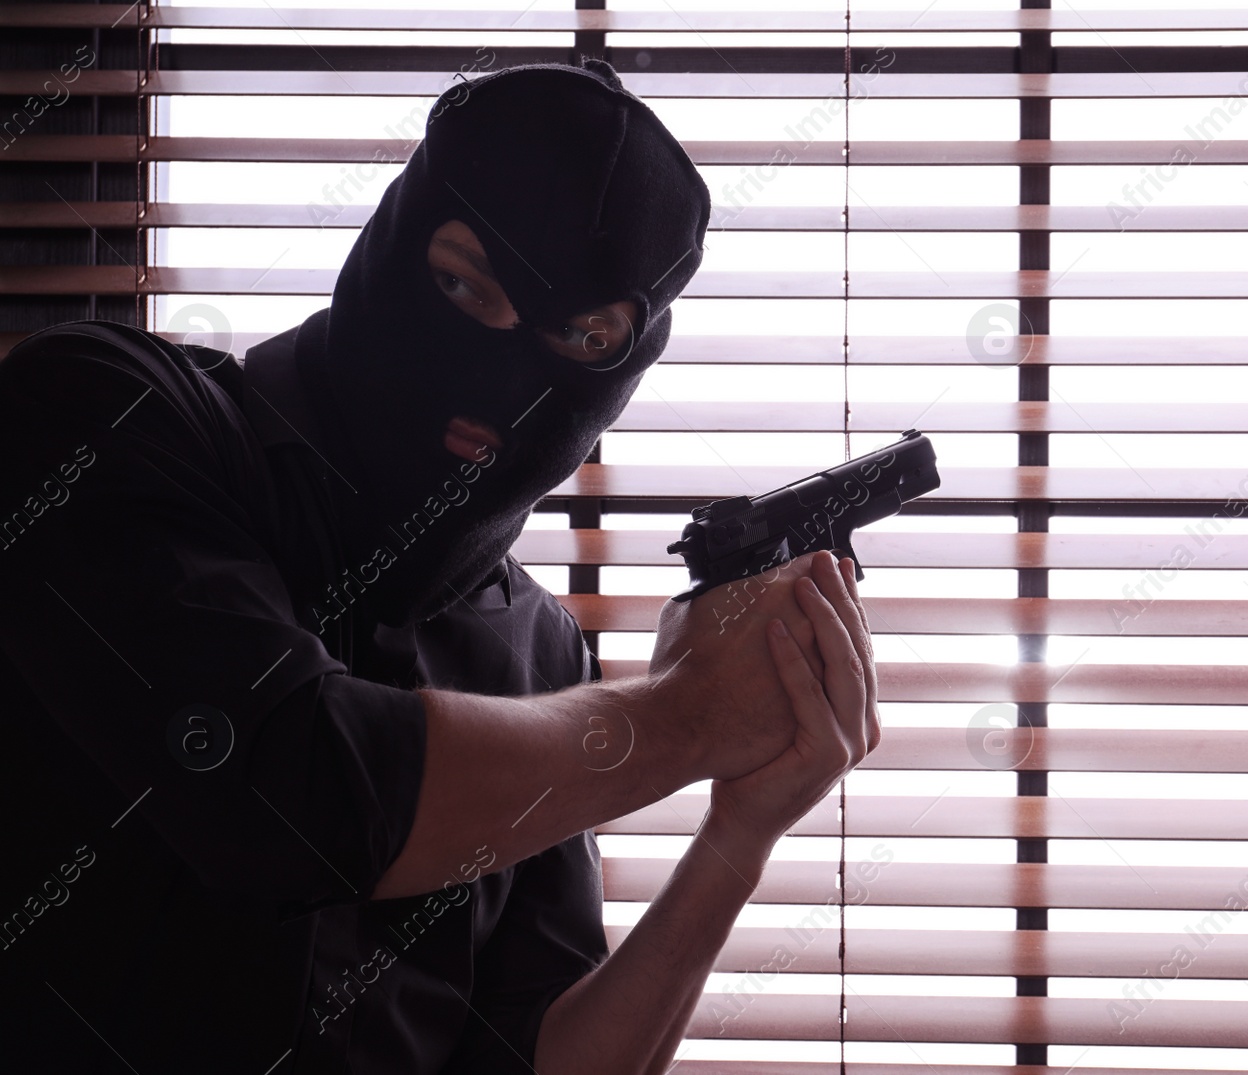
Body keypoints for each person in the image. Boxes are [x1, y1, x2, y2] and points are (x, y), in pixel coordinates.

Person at [0, 59, 879, 1074]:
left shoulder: (537, 648)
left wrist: (741, 828)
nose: (503, 363)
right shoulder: (101, 418)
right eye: (465, 282)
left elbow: (538, 1056)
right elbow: (288, 789)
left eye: (582, 334)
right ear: (391, 234)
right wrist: (684, 717)